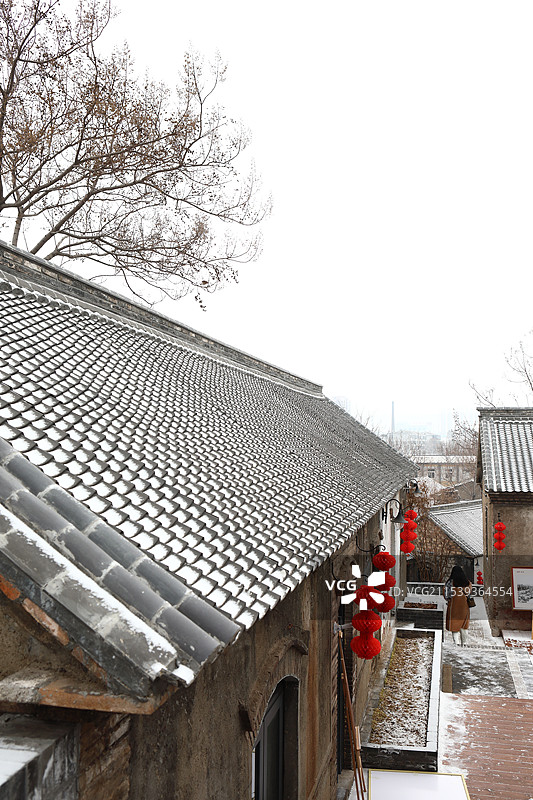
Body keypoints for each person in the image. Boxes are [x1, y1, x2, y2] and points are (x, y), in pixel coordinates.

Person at [445, 565, 472, 646]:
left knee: (455, 626)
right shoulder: (467, 582)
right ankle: (464, 643)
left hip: (454, 607)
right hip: (465, 607)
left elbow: (447, 595)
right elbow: (469, 594)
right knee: (464, 626)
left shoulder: (450, 583)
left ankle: (456, 643)